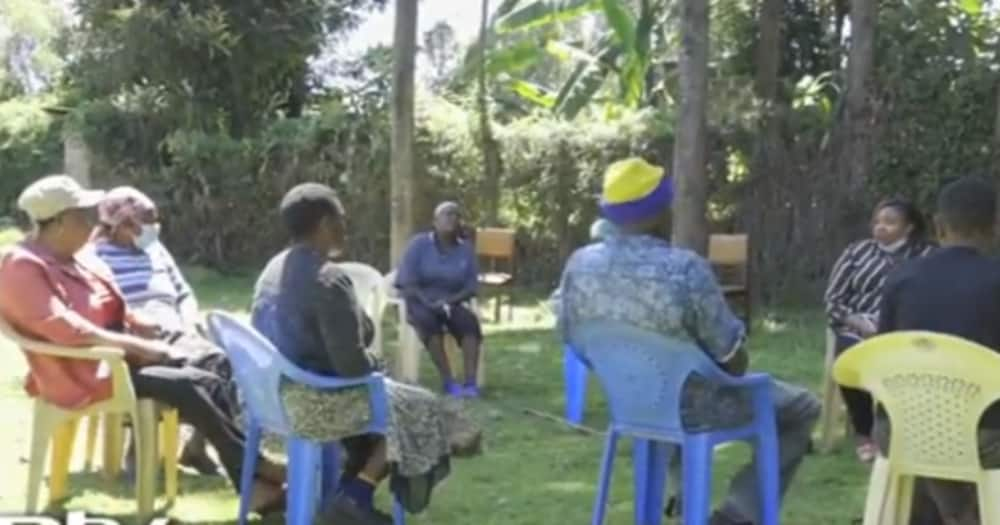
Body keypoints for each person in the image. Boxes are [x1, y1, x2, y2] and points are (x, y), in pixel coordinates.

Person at [557, 158, 820, 525]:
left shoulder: (579, 264)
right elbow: (731, 358)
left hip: (629, 403)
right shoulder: (683, 268)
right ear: (659, 211)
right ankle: (739, 513)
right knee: (803, 407)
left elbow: (573, 338)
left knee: (679, 384)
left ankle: (681, 498)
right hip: (694, 408)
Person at [0, 175, 285, 513]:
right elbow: (65, 327)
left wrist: (140, 326)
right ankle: (254, 471)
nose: (92, 222)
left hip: (120, 360)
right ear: (59, 222)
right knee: (190, 385)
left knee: (209, 371)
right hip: (82, 371)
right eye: (83, 216)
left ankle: (250, 477)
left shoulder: (78, 257)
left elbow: (111, 305)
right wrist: (137, 347)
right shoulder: (22, 266)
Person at [252, 183, 482, 525]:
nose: (346, 226)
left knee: (399, 403)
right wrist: (380, 365)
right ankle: (354, 498)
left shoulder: (274, 269)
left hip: (278, 394)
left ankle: (343, 493)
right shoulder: (329, 280)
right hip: (318, 401)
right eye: (342, 219)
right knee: (422, 410)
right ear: (326, 223)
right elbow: (353, 367)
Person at [876, 176, 1000, 525]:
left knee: (937, 435)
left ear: (938, 225)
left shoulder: (901, 279)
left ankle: (953, 514)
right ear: (995, 226)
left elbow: (884, 355)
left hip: (902, 428)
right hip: (982, 435)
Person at [88, 186, 233, 475]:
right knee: (178, 370)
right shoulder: (95, 255)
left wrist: (189, 320)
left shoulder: (155, 250)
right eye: (146, 222)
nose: (153, 228)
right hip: (135, 333)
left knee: (221, 361)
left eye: (155, 221)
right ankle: (141, 447)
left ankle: (196, 446)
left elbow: (183, 292)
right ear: (121, 225)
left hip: (174, 326)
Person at [824, 197, 933, 462]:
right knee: (848, 357)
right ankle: (864, 432)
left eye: (890, 222)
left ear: (908, 228)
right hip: (858, 326)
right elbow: (833, 301)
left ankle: (901, 429)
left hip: (905, 330)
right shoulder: (856, 253)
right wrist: (859, 323)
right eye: (877, 222)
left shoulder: (926, 257)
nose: (880, 227)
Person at [395, 202, 483, 398]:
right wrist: (428, 302)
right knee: (428, 323)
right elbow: (407, 282)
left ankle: (470, 384)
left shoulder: (465, 249)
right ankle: (448, 382)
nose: (451, 218)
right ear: (435, 221)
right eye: (446, 214)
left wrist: (450, 301)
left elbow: (471, 287)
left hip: (452, 302)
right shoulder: (418, 245)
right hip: (421, 301)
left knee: (470, 324)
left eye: (455, 215)